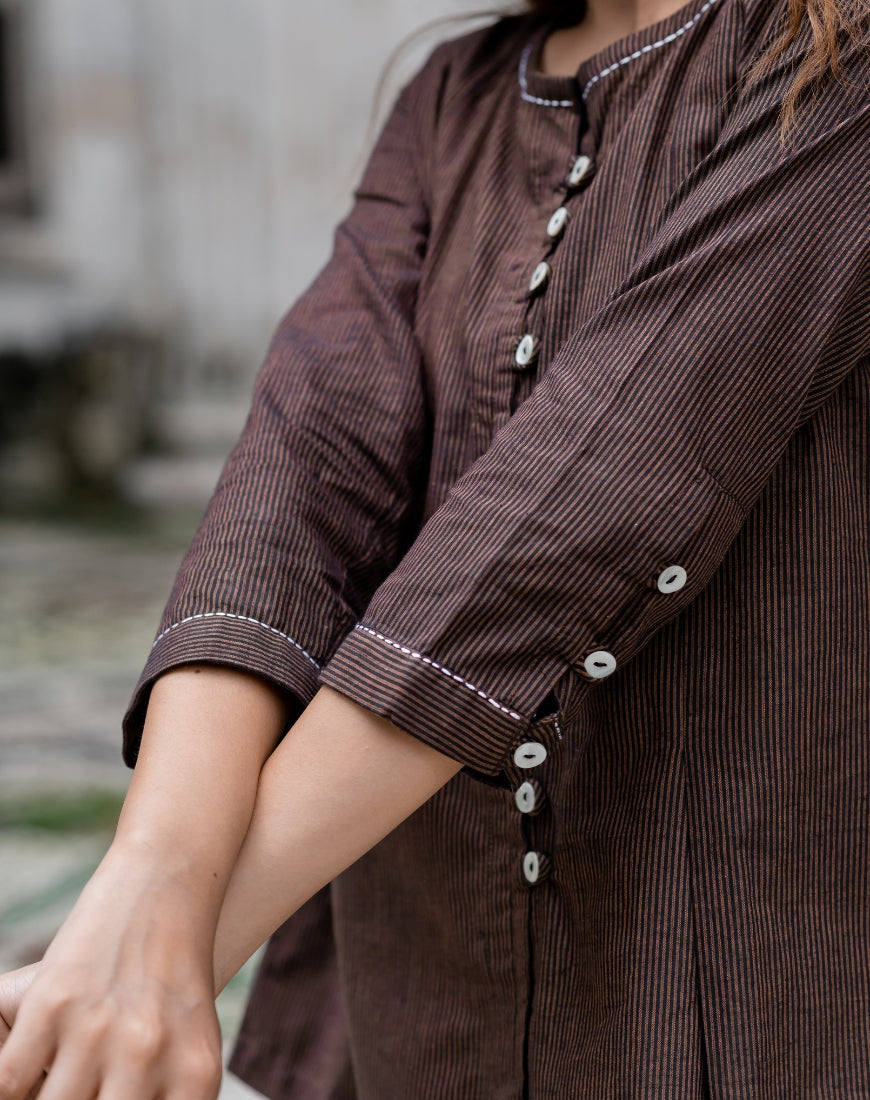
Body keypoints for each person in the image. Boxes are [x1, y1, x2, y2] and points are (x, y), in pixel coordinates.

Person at [1, 0, 869, 1095]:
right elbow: (300, 470)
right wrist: (149, 883)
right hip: (429, 991)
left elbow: (588, 496)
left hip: (729, 980)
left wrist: (175, 946)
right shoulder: (454, 96)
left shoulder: (837, 67)